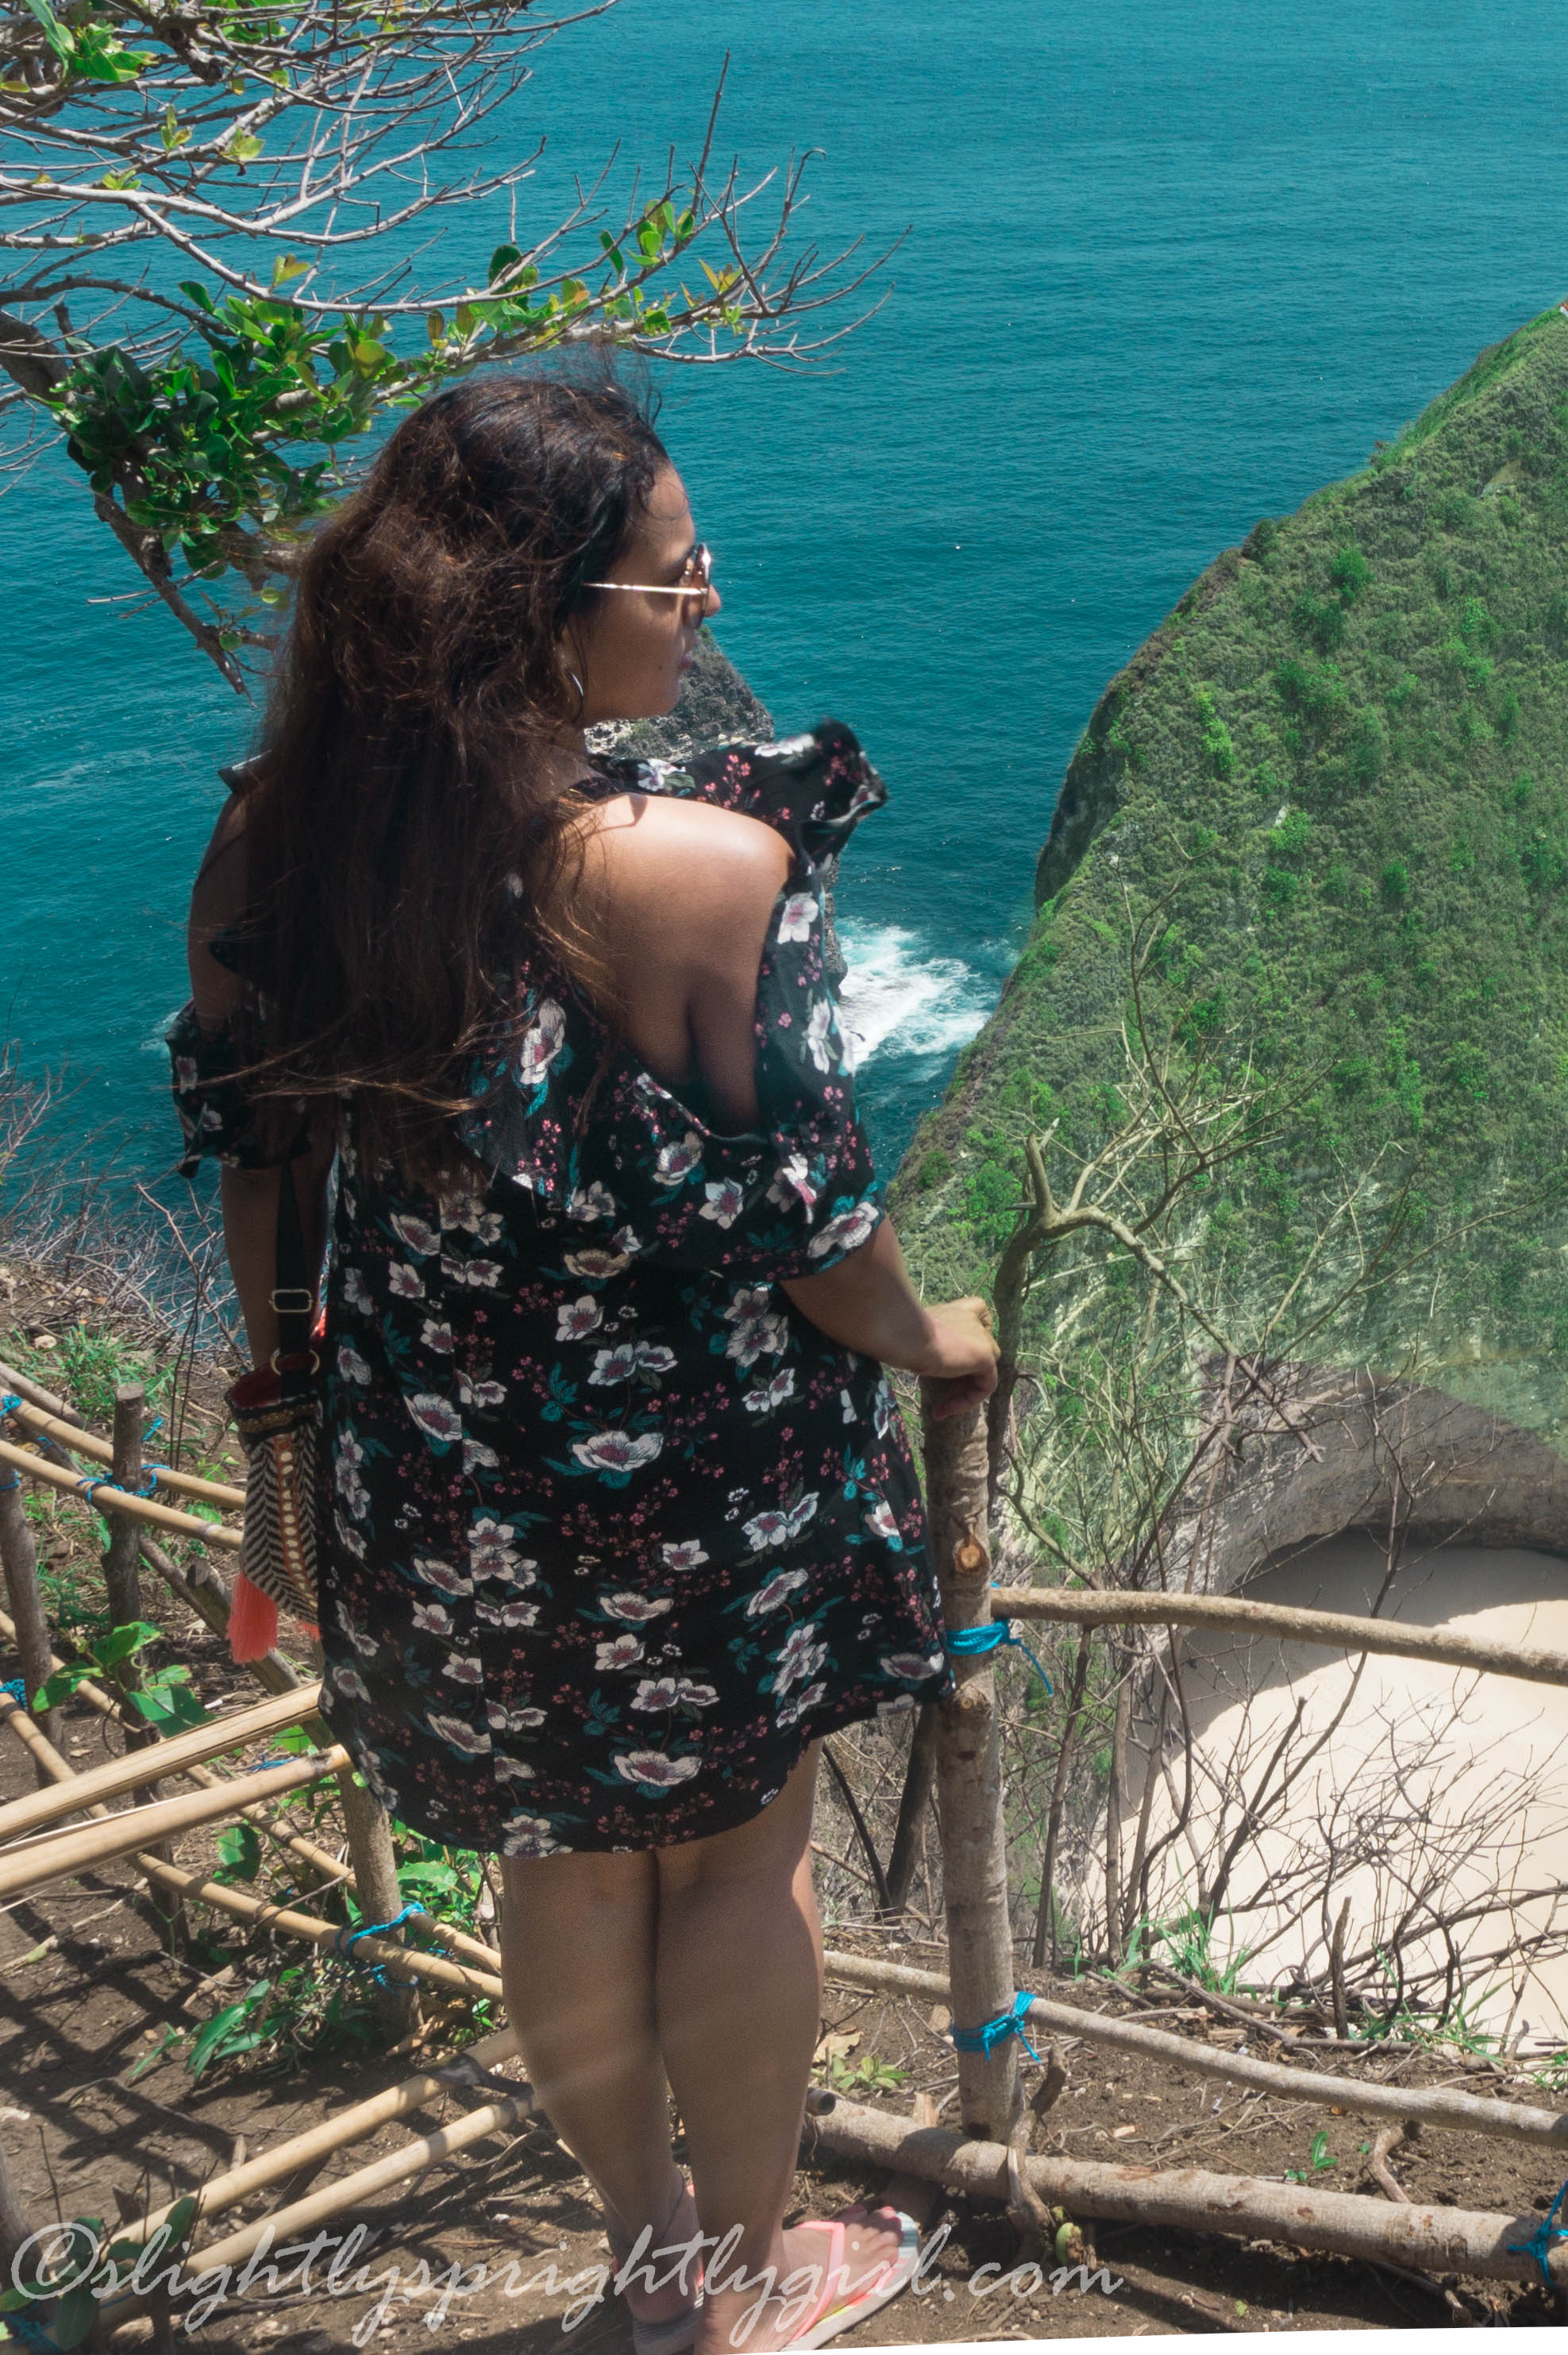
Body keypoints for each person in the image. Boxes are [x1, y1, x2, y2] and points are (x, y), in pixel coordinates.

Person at [165, 373, 998, 2355]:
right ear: (538, 615)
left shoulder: (281, 839)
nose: (703, 604)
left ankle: (644, 2263)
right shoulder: (699, 871)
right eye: (671, 575)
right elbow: (814, 1224)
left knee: (564, 1865)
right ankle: (755, 2273)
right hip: (702, 1479)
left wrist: (289, 1414)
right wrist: (936, 1335)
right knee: (738, 1863)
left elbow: (261, 1161)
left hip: (440, 1467)